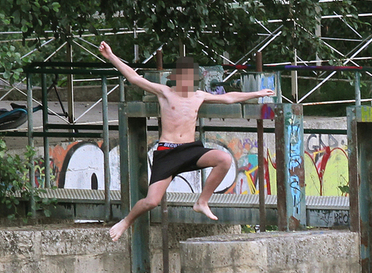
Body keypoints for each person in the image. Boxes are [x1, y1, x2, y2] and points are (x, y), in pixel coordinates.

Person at [99, 41, 275, 241]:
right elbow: (133, 77)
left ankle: (202, 201)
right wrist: (111, 56)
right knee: (151, 201)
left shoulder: (198, 95)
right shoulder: (164, 92)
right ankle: (126, 222)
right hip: (167, 152)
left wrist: (256, 93)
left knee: (224, 160)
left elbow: (229, 98)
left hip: (190, 150)